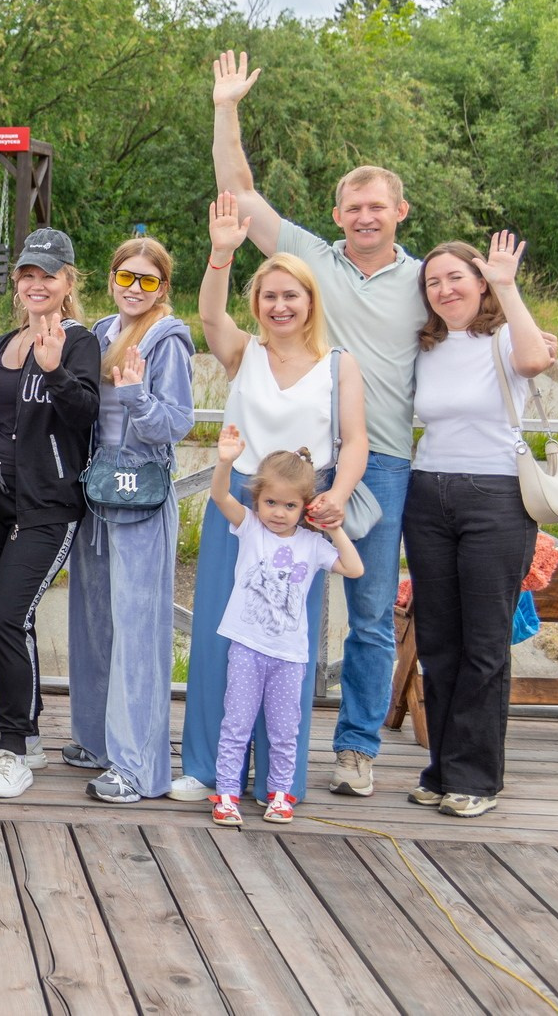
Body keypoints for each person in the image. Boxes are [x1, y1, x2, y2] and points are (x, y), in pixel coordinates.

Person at [211, 50, 423, 797]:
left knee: (369, 613)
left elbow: (478, 322)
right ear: (338, 216)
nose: (365, 217)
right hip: (293, 469)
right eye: (353, 207)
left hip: (378, 463)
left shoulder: (424, 280)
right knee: (272, 603)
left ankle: (356, 748)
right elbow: (239, 192)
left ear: (399, 212)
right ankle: (266, 755)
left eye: (378, 207)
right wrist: (226, 108)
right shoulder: (310, 258)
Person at [176, 192, 368, 804]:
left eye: (292, 295)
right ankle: (209, 769)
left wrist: (336, 499)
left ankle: (278, 778)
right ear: (256, 303)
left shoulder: (339, 365)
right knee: (222, 634)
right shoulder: (244, 353)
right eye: (269, 296)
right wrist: (221, 256)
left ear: (311, 301)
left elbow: (356, 441)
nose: (280, 305)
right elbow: (210, 316)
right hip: (239, 503)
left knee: (287, 641)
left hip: (302, 512)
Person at [405, 233, 554, 818]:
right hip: (428, 493)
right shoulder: (426, 345)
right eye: (433, 282)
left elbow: (536, 361)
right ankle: (442, 770)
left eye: (456, 278)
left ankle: (477, 779)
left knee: (485, 643)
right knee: (439, 640)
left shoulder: (506, 335)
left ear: (480, 283)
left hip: (496, 497)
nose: (444, 290)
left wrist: (507, 286)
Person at [64, 238, 196, 803]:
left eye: (147, 280)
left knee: (139, 631)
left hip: (141, 496)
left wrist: (138, 396)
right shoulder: (100, 333)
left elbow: (177, 424)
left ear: (162, 286)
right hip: (99, 494)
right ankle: (97, 740)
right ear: (111, 278)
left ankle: (138, 767)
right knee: (95, 621)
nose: (134, 288)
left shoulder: (169, 340)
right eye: (126, 277)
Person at [0, 229, 101, 801]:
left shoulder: (80, 343)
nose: (36, 284)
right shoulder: (4, 341)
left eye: (48, 275)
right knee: (7, 622)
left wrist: (54, 371)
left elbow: (86, 414)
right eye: (27, 274)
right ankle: (25, 737)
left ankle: (14, 747)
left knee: (7, 616)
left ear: (68, 282)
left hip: (49, 503)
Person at [205, 428, 363, 826]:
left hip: (290, 657)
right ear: (257, 500)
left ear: (305, 507)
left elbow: (354, 568)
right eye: (270, 502)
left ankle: (279, 795)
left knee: (284, 730)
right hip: (247, 647)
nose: (278, 512)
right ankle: (226, 794)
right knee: (236, 725)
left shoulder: (313, 545)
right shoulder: (251, 529)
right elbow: (220, 496)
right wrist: (225, 462)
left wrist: (333, 526)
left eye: (290, 505)